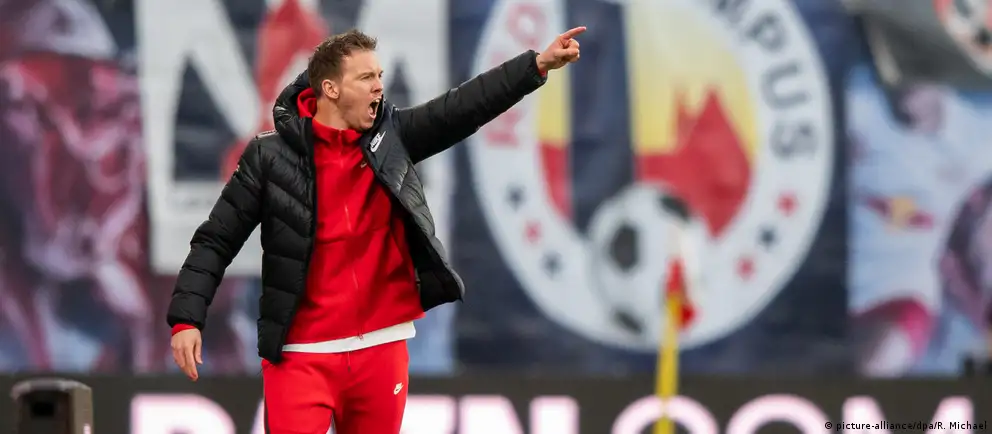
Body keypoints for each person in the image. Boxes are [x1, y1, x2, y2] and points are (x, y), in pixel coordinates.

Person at [166, 27, 584, 433]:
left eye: (379, 75)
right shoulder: (268, 156)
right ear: (330, 89)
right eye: (366, 77)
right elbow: (216, 239)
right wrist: (186, 319)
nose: (379, 87)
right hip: (300, 355)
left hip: (381, 351)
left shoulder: (393, 137)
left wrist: (536, 66)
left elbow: (463, 106)